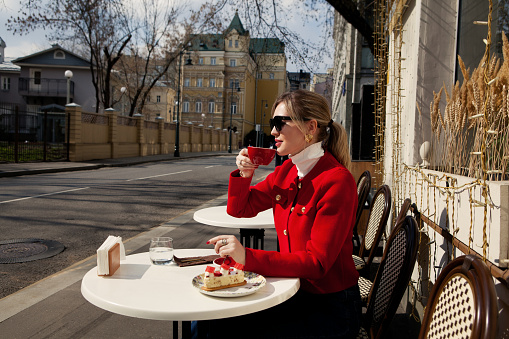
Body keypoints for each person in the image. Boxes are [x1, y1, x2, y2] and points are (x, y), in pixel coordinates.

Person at [198, 90, 361, 338]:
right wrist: (245, 175)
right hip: (293, 294)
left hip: (328, 309)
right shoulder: (288, 172)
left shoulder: (336, 181)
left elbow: (317, 264)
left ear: (311, 127)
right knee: (210, 320)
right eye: (271, 124)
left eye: (279, 123)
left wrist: (246, 256)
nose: (272, 132)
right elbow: (240, 209)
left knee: (222, 328)